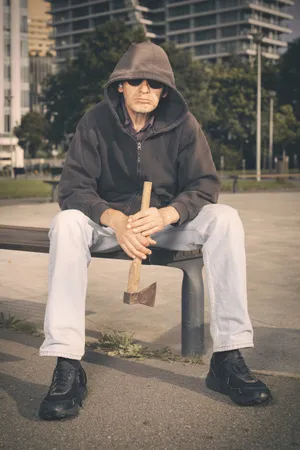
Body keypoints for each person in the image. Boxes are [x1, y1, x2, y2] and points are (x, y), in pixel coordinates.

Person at [38, 42, 271, 420]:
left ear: (165, 91)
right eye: (136, 81)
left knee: (225, 218)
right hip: (111, 224)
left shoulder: (185, 124)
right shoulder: (95, 121)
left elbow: (204, 185)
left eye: (154, 83)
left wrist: (169, 214)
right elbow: (72, 188)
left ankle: (228, 358)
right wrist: (111, 217)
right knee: (64, 224)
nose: (145, 89)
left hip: (165, 224)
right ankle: (67, 363)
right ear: (120, 86)